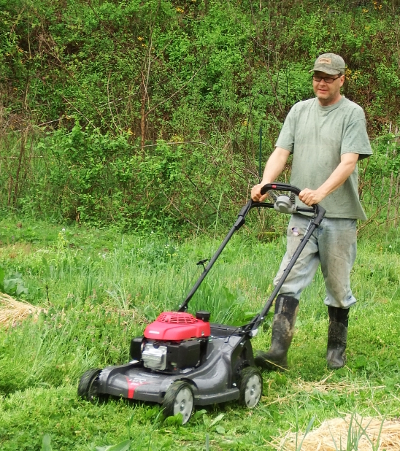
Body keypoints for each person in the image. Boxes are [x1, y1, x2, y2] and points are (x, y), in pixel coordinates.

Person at [251, 53, 372, 370]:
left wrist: (321, 192)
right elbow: (281, 151)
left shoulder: (352, 114)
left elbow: (349, 161)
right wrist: (266, 182)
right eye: (317, 76)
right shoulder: (299, 111)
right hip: (302, 214)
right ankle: (278, 351)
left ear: (341, 79)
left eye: (328, 78)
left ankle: (336, 349)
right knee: (287, 279)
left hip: (339, 216)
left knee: (337, 286)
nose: (321, 82)